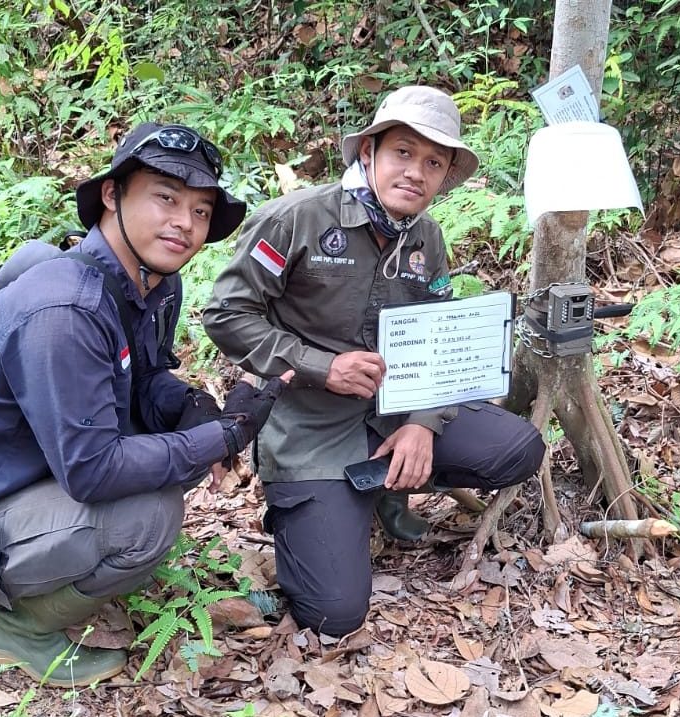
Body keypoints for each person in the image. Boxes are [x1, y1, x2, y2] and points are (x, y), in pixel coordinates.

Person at [0, 122, 290, 687]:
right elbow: (94, 470)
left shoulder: (156, 282)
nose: (185, 224)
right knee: (149, 516)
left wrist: (193, 404)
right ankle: (21, 631)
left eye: (201, 211)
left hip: (21, 479)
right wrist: (224, 436)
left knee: (162, 470)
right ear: (111, 194)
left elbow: (142, 379)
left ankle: (59, 564)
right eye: (166, 198)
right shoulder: (65, 309)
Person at [202, 87, 546, 637]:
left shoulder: (427, 239)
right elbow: (226, 314)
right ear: (369, 154)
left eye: (434, 162)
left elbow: (438, 337)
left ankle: (385, 487)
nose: (416, 171)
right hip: (309, 427)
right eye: (403, 153)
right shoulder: (296, 220)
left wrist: (422, 424)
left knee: (517, 447)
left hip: (394, 409)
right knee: (333, 614)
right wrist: (320, 366)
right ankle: (316, 509)